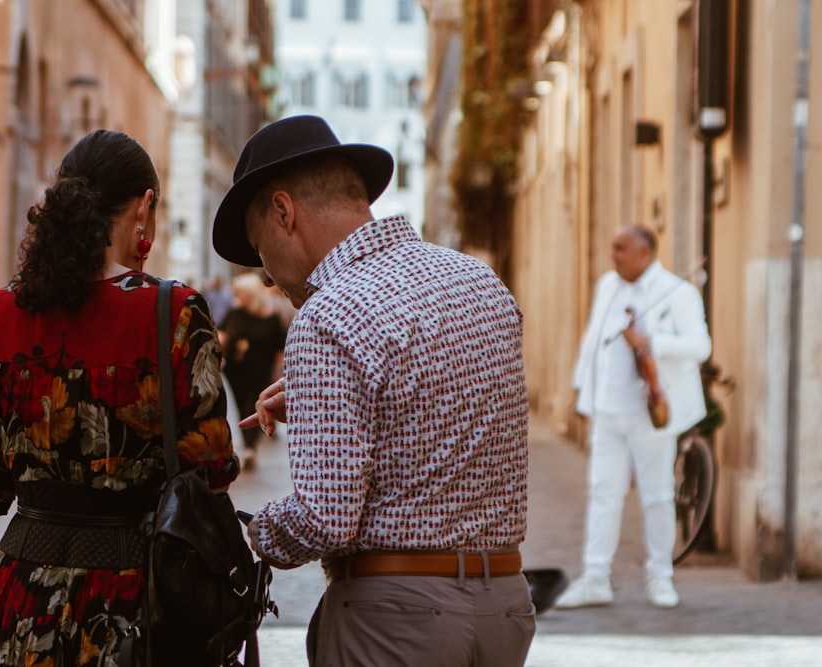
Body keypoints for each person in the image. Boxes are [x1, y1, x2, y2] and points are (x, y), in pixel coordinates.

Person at [212, 114, 535, 666]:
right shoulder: (482, 282)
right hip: (504, 607)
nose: (266, 278)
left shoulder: (328, 315)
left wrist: (250, 532)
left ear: (284, 212)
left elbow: (325, 518)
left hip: (396, 621)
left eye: (259, 247)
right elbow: (449, 418)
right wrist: (338, 404)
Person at [0, 129, 238, 665]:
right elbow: (209, 470)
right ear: (145, 207)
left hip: (18, 598)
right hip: (131, 606)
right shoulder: (175, 313)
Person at [555, 225, 711, 610]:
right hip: (608, 409)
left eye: (620, 248)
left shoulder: (678, 292)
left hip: (651, 411)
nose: (614, 255)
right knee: (602, 493)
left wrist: (652, 342)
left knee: (657, 495)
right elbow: (594, 337)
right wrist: (581, 386)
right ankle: (595, 579)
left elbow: (701, 346)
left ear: (645, 253)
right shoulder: (608, 285)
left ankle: (661, 577)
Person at [217, 271, 286, 471]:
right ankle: (248, 445)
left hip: (261, 370)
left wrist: (279, 370)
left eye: (241, 293)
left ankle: (250, 446)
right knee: (240, 404)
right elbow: (221, 332)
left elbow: (280, 346)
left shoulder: (271, 316)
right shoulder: (235, 312)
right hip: (236, 371)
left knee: (254, 403)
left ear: (251, 293)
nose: (238, 297)